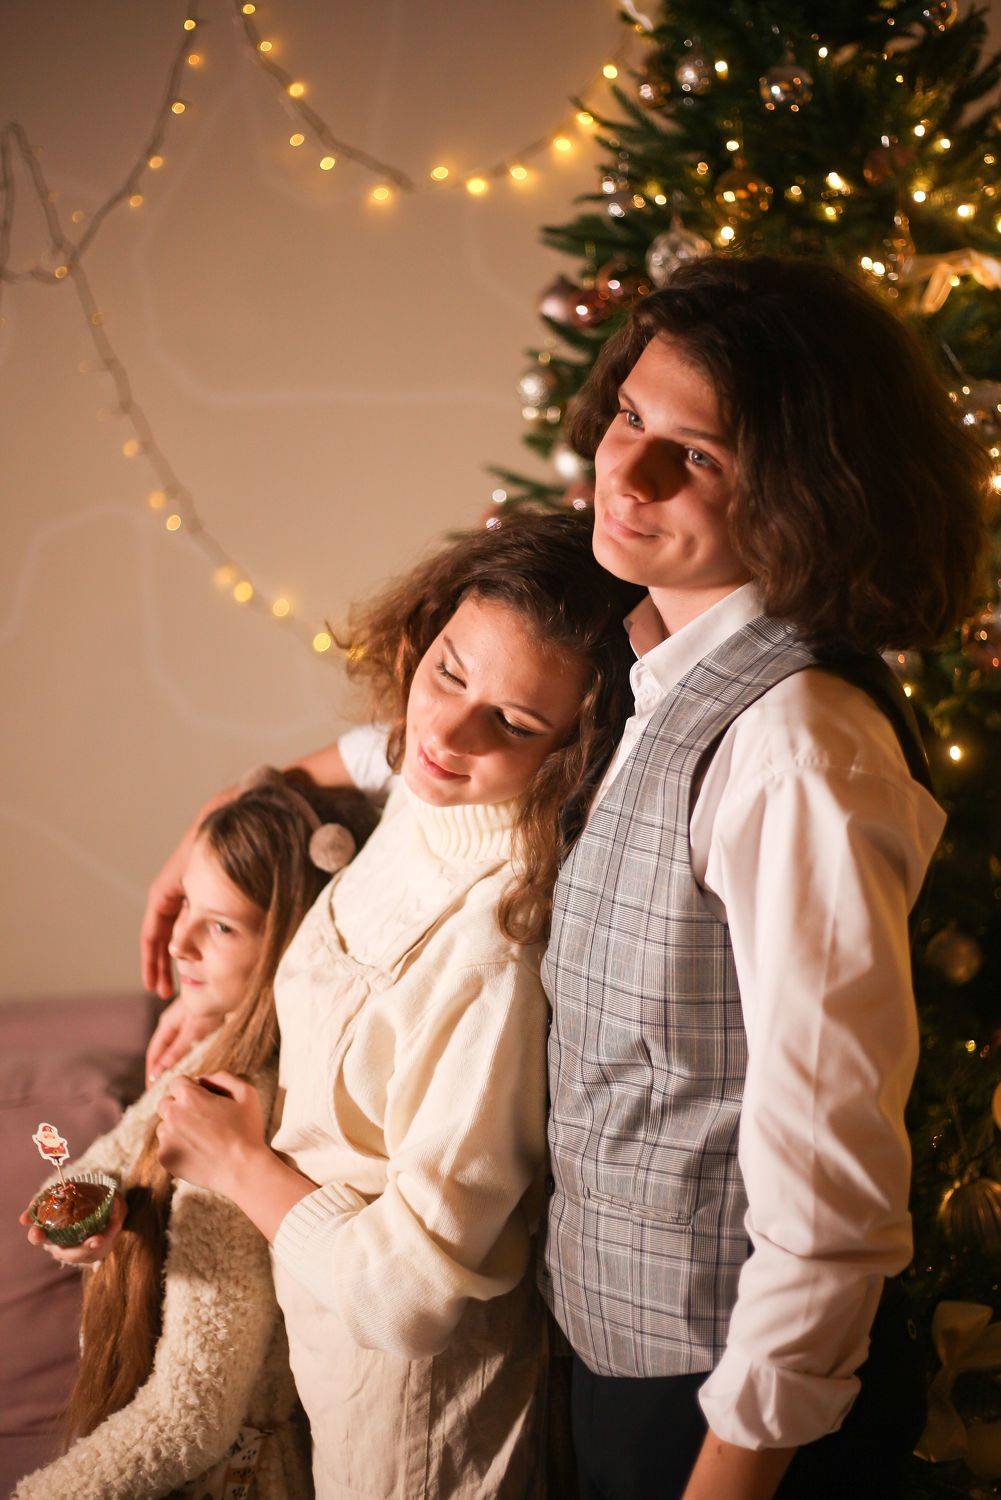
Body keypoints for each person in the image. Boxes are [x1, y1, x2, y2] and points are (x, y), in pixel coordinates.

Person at [142, 255, 989, 1500]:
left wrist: (733, 1465)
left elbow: (829, 1180)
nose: (623, 471)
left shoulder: (797, 748)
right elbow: (442, 744)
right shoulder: (652, 659)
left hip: (722, 1411)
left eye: (694, 455)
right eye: (629, 416)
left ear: (805, 493)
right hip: (607, 1364)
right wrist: (235, 807)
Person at [150, 512, 640, 1499]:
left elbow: (410, 1296)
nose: (444, 733)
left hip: (416, 1423)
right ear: (427, 633)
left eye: (513, 724)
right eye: (447, 672)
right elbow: (367, 759)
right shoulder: (430, 793)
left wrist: (239, 1165)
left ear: (574, 752)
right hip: (318, 1345)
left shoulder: (492, 959)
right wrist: (206, 913)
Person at [16, 772, 376, 1500]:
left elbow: (192, 1418)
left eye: (220, 927)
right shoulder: (203, 1053)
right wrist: (82, 1216)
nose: (179, 941)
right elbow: (86, 1165)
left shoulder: (238, 1114)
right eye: (184, 903)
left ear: (291, 944)